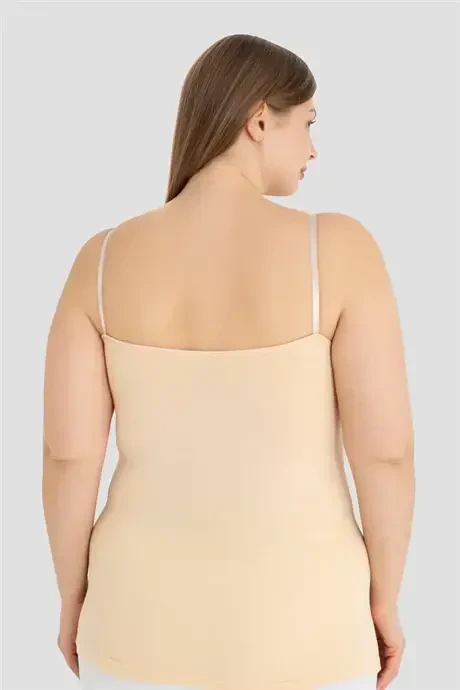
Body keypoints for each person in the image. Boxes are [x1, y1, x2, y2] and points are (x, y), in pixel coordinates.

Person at [42, 33, 415, 690]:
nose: (313, 149)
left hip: (132, 632)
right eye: (308, 124)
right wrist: (384, 599)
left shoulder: (100, 261)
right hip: (312, 636)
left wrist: (73, 597)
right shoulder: (337, 249)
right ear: (260, 119)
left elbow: (68, 457)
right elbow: (385, 453)